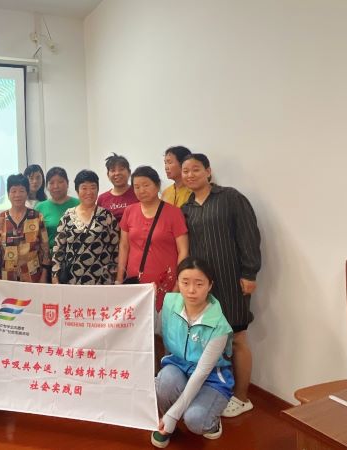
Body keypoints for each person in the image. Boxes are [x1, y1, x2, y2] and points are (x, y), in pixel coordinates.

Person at [181, 153, 261, 418]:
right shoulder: (187, 208)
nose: (190, 175)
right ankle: (217, 391)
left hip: (232, 279)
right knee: (211, 340)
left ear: (208, 171)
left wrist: (250, 273)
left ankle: (242, 397)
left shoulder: (230, 197)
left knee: (237, 338)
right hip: (203, 286)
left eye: (195, 169)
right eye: (185, 171)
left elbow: (249, 236)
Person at [151, 256, 234, 448]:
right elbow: (155, 329)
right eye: (185, 282)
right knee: (165, 382)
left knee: (195, 420)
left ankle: (209, 420)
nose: (191, 290)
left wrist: (174, 415)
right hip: (178, 366)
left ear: (210, 285)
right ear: (178, 282)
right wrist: (150, 302)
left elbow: (201, 373)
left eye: (199, 284)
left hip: (210, 377)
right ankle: (171, 418)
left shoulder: (219, 325)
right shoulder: (170, 303)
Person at [116, 166, 188, 313]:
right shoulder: (129, 211)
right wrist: (119, 277)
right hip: (135, 282)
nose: (141, 190)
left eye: (146, 185)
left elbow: (184, 250)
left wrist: (178, 283)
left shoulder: (174, 213)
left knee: (162, 323)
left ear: (157, 185)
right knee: (137, 321)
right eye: (136, 187)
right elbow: (124, 246)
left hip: (166, 282)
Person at [52, 170, 119, 285]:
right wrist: (55, 276)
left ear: (98, 189)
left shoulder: (107, 216)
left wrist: (115, 275)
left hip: (102, 282)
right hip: (72, 282)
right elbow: (58, 250)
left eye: (93, 187)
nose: (89, 192)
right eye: (84, 188)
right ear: (77, 191)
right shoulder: (67, 216)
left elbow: (116, 249)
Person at [0, 174, 50, 282]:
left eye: (21, 191)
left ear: (27, 193)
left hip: (33, 276)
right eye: (13, 191)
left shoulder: (37, 217)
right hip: (7, 278)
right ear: (8, 194)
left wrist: (44, 276)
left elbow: (45, 249)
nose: (17, 195)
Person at [35, 167, 80, 251]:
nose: (56, 186)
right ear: (47, 186)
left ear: (67, 183)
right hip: (49, 255)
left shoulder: (79, 204)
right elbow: (36, 237)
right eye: (51, 183)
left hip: (75, 254)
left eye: (60, 182)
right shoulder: (40, 207)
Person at [97, 153, 138, 222]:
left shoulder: (138, 193)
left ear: (129, 172)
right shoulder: (102, 199)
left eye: (121, 169)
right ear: (108, 175)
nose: (117, 173)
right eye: (113, 170)